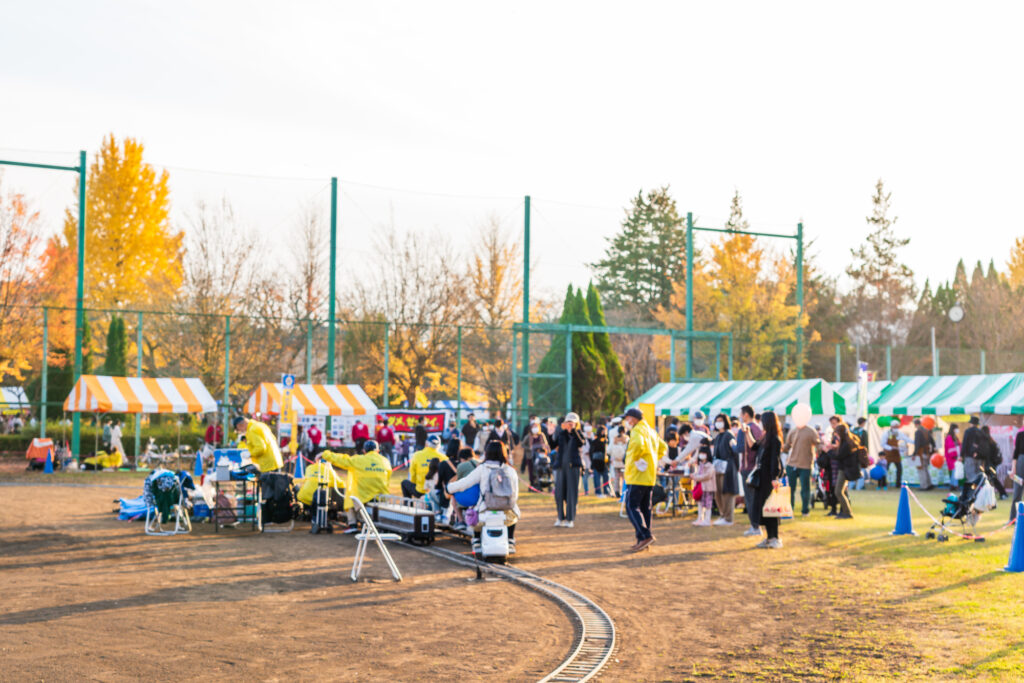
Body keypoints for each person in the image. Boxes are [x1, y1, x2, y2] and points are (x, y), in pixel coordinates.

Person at [446, 440, 520, 554]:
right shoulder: (510, 470)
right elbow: (515, 494)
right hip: (508, 513)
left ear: (487, 453)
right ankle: (510, 539)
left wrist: (450, 488)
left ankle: (476, 539)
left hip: (485, 510)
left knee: (474, 515)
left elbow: (465, 483)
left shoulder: (483, 468)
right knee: (513, 515)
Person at [621, 408, 666, 552]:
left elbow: (638, 445)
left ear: (633, 418)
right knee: (645, 508)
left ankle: (645, 535)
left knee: (631, 506)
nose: (626, 421)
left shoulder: (637, 430)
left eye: (627, 418)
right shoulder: (651, 431)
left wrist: (635, 458)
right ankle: (643, 539)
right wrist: (652, 459)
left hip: (637, 475)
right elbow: (663, 447)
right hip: (649, 475)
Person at [320, 440, 391, 524]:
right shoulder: (385, 461)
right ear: (378, 450)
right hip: (381, 497)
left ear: (364, 451)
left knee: (349, 497)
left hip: (363, 497)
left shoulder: (358, 460)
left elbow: (341, 460)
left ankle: (352, 523)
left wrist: (325, 454)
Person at [753, 411, 785, 549]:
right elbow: (753, 447)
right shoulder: (765, 438)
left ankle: (775, 538)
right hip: (762, 477)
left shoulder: (775, 440)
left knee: (771, 508)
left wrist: (774, 477)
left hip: (769, 478)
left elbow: (775, 460)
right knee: (763, 508)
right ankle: (769, 537)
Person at [552, 412, 586, 528]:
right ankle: (560, 517)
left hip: (573, 467)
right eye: (568, 422)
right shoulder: (561, 434)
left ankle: (570, 519)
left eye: (572, 422)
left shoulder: (578, 434)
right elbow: (552, 445)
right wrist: (552, 433)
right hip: (561, 466)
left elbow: (581, 443)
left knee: (572, 493)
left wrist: (574, 431)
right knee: (559, 493)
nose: (570, 424)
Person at [735, 405, 764, 536]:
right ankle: (756, 526)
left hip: (748, 468)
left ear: (745, 415)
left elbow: (740, 448)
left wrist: (732, 445)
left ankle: (755, 526)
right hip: (757, 468)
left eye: (741, 414)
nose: (740, 416)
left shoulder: (745, 429)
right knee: (755, 499)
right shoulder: (758, 428)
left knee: (750, 499)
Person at [783, 418, 820, 516]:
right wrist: (781, 447)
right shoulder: (793, 431)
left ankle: (805, 510)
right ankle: (789, 509)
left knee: (805, 489)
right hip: (791, 464)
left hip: (805, 465)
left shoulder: (811, 431)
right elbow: (787, 446)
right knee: (790, 489)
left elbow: (818, 444)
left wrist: (823, 449)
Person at [710, 413, 738, 526]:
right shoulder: (718, 436)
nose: (718, 423)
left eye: (721, 420)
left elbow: (734, 448)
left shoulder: (729, 435)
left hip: (727, 468)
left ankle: (728, 517)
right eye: (717, 421)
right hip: (718, 468)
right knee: (718, 493)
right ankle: (723, 515)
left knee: (727, 493)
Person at [404, 434, 447, 499]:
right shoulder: (444, 458)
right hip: (437, 492)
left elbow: (412, 474)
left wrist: (415, 484)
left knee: (404, 483)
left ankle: (408, 504)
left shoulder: (417, 455)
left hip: (420, 490)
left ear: (426, 443)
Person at [833, 423, 862, 519]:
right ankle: (845, 511)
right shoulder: (848, 441)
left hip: (844, 470)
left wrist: (829, 451)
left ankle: (847, 512)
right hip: (846, 469)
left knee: (838, 491)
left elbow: (839, 456)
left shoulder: (846, 444)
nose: (836, 435)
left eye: (837, 433)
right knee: (841, 491)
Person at [879, 421, 911, 489]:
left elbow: (906, 439)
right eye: (895, 427)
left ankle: (898, 484)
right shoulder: (886, 433)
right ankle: (882, 483)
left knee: (899, 469)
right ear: (891, 426)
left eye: (897, 427)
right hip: (887, 454)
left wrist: (914, 442)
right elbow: (882, 444)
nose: (896, 428)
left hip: (896, 454)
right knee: (885, 469)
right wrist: (891, 447)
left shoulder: (899, 433)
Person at [690, 445, 716, 527]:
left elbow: (707, 476)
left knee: (708, 504)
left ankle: (707, 520)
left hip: (708, 488)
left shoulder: (710, 465)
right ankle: (700, 518)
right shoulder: (700, 465)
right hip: (700, 487)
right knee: (700, 503)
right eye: (701, 453)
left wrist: (696, 477)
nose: (702, 455)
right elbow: (698, 473)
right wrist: (694, 475)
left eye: (703, 453)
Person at [979, 425, 1008, 498]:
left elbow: (984, 454)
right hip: (993, 464)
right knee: (993, 479)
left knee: (992, 479)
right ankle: (1002, 493)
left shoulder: (985, 442)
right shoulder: (992, 441)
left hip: (988, 464)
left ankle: (1003, 494)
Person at [521, 421, 550, 489]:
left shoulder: (541, 435)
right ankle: (532, 484)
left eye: (536, 427)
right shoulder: (528, 436)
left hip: (540, 457)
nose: (535, 428)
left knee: (540, 470)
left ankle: (540, 484)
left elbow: (546, 444)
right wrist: (529, 448)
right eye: (533, 427)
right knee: (531, 471)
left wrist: (544, 448)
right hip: (531, 456)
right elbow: (523, 444)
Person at [912, 419, 935, 491]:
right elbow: (933, 443)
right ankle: (929, 484)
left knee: (921, 470)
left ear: (916, 424)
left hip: (920, 453)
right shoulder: (927, 431)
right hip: (927, 453)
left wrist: (914, 454)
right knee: (925, 469)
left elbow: (917, 444)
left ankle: (924, 486)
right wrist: (931, 452)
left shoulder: (918, 432)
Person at [961, 416, 983, 481]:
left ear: (971, 423)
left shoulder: (968, 431)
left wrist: (961, 455)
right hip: (979, 457)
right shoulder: (980, 432)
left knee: (971, 475)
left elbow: (964, 444)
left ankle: (973, 486)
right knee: (978, 474)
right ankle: (978, 486)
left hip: (969, 456)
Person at [590, 424, 610, 497]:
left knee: (606, 477)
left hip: (605, 462)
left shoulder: (606, 441)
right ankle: (598, 492)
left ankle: (606, 492)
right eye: (602, 431)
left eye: (604, 431)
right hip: (596, 461)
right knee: (597, 478)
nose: (603, 433)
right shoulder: (594, 441)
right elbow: (591, 452)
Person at [1010, 427, 1024, 521]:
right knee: (1017, 491)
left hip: (1020, 462)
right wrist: (1013, 468)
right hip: (1020, 464)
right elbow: (1016, 452)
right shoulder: (1020, 434)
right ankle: (1013, 518)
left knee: (1017, 490)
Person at [608, 429, 628, 497]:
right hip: (623, 462)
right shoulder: (626, 439)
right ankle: (623, 491)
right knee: (624, 478)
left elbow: (609, 450)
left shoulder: (614, 439)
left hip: (616, 462)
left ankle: (616, 491)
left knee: (616, 478)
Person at [851, 418, 869, 489]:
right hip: (861, 453)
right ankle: (859, 486)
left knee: (852, 468)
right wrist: (866, 453)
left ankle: (851, 485)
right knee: (861, 469)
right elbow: (866, 444)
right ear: (863, 423)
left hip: (852, 452)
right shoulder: (863, 432)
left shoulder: (853, 430)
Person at [945, 423, 962, 490]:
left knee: (955, 471)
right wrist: (956, 457)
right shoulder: (949, 437)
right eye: (956, 428)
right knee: (955, 471)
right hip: (952, 457)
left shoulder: (955, 437)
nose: (958, 430)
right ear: (953, 429)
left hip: (956, 456)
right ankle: (955, 485)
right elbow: (950, 448)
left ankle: (953, 485)